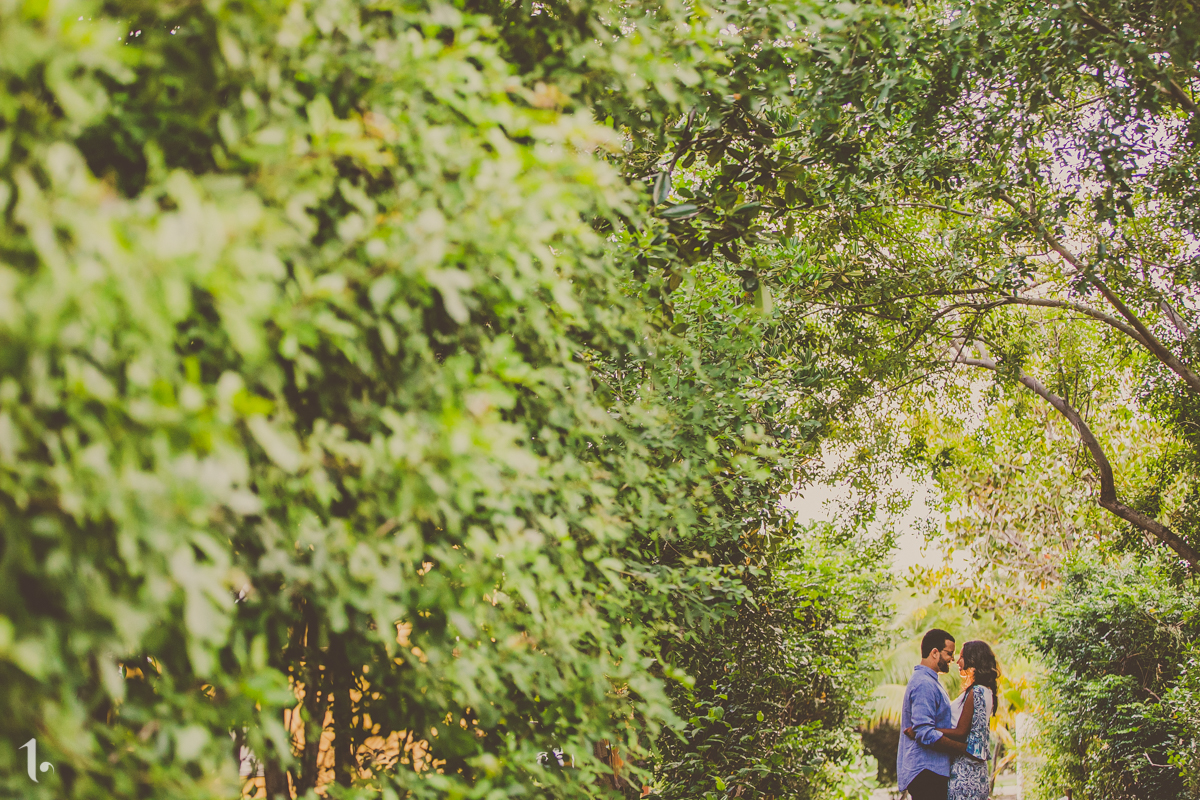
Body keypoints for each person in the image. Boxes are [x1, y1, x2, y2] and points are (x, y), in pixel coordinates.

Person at [903, 640, 1000, 800]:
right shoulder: (987, 692)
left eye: (961, 657)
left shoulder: (975, 692)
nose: (957, 661)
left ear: (973, 659)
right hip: (978, 773)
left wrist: (924, 730)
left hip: (965, 773)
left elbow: (961, 732)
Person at [897, 629, 969, 800]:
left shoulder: (930, 682)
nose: (952, 659)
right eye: (949, 653)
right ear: (934, 653)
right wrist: (964, 749)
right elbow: (924, 732)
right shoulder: (924, 684)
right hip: (927, 772)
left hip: (931, 771)